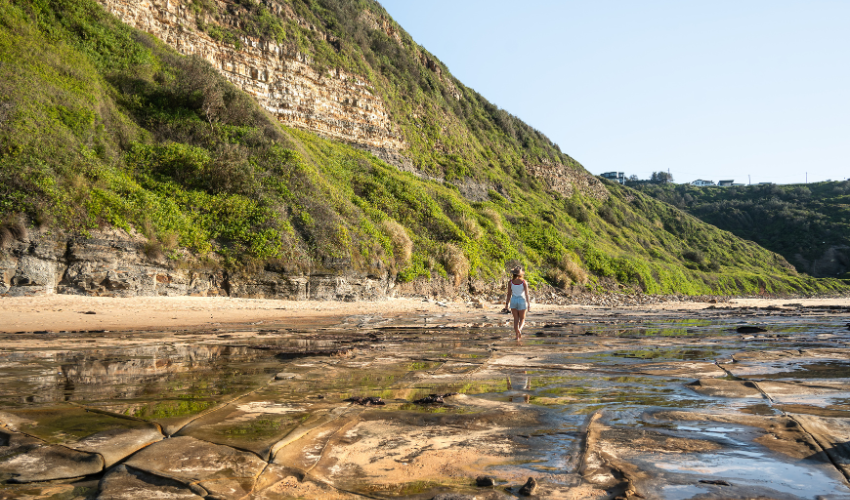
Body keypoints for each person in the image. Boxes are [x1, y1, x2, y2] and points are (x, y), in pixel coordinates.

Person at [504, 266, 530, 340]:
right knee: (522, 319)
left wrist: (506, 305)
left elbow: (509, 294)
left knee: (516, 319)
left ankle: (517, 336)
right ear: (521, 274)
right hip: (522, 300)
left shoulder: (510, 282)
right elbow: (526, 294)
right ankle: (520, 329)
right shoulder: (524, 282)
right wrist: (528, 304)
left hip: (514, 300)